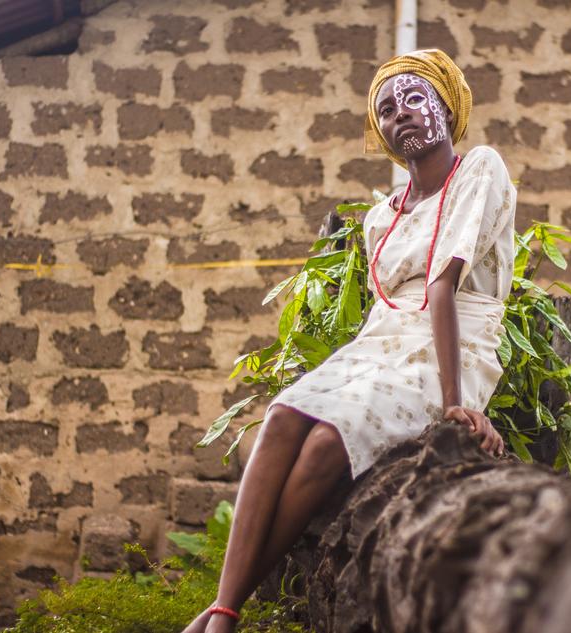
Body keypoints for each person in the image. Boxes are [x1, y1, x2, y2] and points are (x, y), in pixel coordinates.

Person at [183, 48, 516, 633]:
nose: (401, 115)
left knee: (325, 445)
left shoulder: (481, 168)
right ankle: (221, 610)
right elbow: (383, 311)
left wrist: (454, 402)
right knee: (283, 416)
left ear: (447, 106)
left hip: (453, 342)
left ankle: (226, 613)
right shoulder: (378, 220)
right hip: (379, 343)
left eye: (416, 99)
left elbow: (441, 287)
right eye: (387, 110)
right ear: (382, 133)